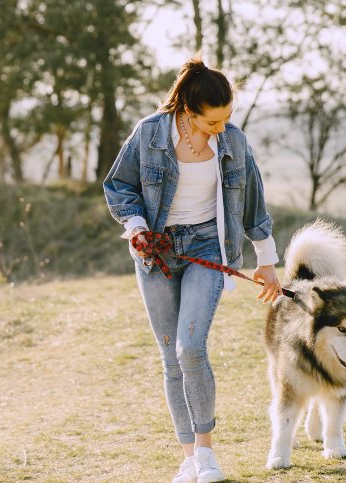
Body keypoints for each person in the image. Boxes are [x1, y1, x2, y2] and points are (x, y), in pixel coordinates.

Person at [102, 53, 282, 483]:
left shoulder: (234, 142)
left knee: (190, 348)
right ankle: (188, 458)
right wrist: (137, 225)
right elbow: (118, 185)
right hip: (156, 253)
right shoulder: (149, 134)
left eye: (225, 120)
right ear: (187, 111)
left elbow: (253, 202)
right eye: (211, 123)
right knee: (170, 357)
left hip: (208, 246)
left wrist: (268, 261)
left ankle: (207, 453)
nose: (220, 130)